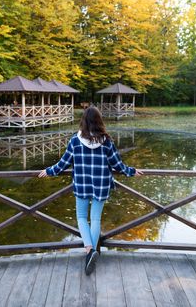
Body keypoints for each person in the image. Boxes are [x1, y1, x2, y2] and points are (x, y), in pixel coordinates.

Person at [38, 106, 143, 275]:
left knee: (81, 217)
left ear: (83, 122)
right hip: (101, 185)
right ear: (99, 121)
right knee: (95, 219)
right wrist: (131, 171)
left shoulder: (75, 140)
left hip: (81, 184)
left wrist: (49, 171)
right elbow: (117, 164)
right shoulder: (106, 141)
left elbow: (63, 163)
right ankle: (92, 252)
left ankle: (89, 250)